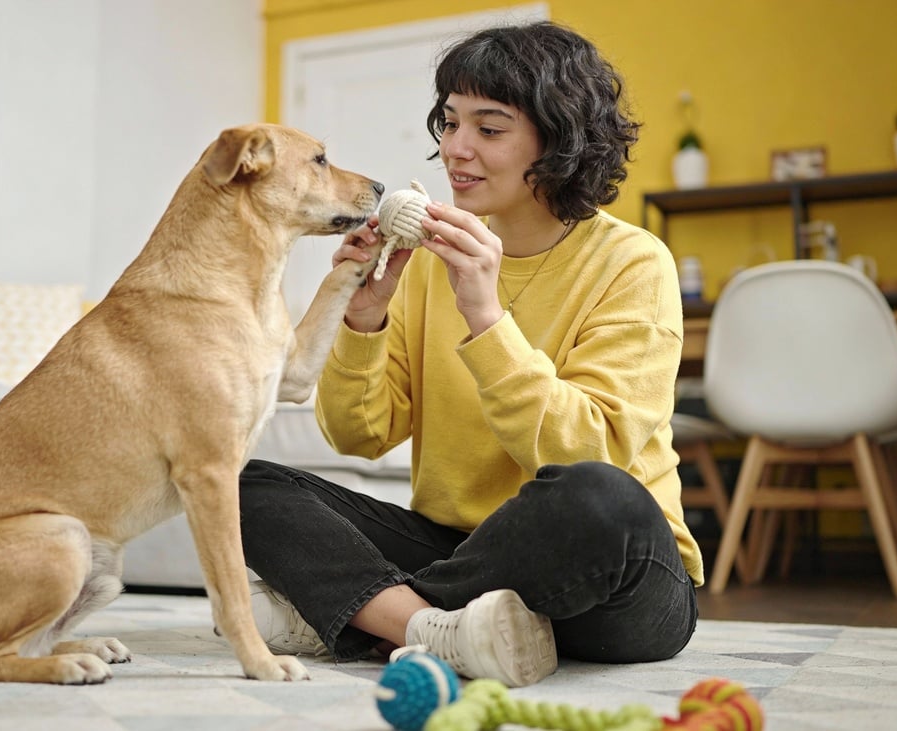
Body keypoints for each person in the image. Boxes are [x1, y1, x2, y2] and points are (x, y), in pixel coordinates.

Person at [237, 20, 702, 687]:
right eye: (449, 123)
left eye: (489, 129)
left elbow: (587, 453)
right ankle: (430, 628)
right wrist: (363, 325)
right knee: (243, 482)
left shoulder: (634, 263)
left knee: (599, 497)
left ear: (560, 138)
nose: (455, 149)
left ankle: (364, 610)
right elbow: (359, 435)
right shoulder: (429, 261)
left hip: (615, 579)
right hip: (460, 546)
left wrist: (486, 314)